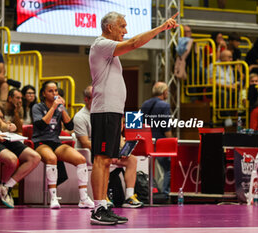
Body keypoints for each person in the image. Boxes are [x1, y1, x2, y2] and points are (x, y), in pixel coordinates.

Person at [89, 11, 178, 225]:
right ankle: (97, 208)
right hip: (104, 111)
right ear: (109, 27)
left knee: (108, 160)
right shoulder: (101, 45)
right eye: (122, 26)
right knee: (101, 159)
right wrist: (161, 28)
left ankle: (105, 205)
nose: (125, 30)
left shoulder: (110, 53)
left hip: (112, 112)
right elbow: (135, 42)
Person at [73, 85, 143, 208]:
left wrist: (121, 150)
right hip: (91, 152)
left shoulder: (107, 114)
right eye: (94, 98)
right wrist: (110, 152)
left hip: (109, 149)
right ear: (86, 99)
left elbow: (117, 137)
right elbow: (85, 142)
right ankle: (102, 197)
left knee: (132, 159)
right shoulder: (80, 117)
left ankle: (129, 197)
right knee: (104, 158)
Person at [32, 81, 94, 209]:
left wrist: (62, 109)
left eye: (56, 91)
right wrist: (53, 108)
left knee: (81, 160)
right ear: (43, 93)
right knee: (51, 158)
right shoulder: (37, 107)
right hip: (41, 142)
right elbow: (41, 125)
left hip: (56, 141)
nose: (54, 93)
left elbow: (70, 126)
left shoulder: (59, 107)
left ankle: (83, 198)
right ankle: (53, 198)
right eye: (50, 91)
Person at [0, 80, 41, 208]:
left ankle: (5, 186)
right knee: (12, 160)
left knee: (35, 157)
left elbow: (0, 125)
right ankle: (4, 186)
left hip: (0, 135)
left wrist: (9, 127)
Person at [141, 82, 172, 196]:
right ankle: (165, 193)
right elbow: (165, 126)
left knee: (147, 168)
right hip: (160, 141)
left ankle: (148, 192)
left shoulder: (145, 104)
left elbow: (140, 123)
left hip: (147, 140)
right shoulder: (164, 106)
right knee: (168, 168)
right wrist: (170, 140)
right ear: (164, 92)